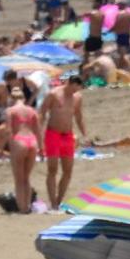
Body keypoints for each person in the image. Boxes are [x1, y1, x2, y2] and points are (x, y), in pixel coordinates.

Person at [40, 75, 87, 209]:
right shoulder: (54, 94)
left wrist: (85, 134)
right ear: (69, 83)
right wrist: (39, 134)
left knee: (68, 171)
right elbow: (42, 113)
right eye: (73, 89)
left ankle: (59, 201)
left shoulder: (77, 97)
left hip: (67, 135)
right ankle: (53, 202)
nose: (74, 92)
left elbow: (78, 116)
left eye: (77, 90)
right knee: (52, 169)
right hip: (53, 133)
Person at [3, 74, 41, 210]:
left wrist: (3, 148)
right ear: (24, 98)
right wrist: (41, 149)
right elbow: (38, 131)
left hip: (19, 141)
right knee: (27, 178)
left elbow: (8, 131)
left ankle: (22, 208)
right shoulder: (31, 110)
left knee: (18, 179)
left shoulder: (10, 110)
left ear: (11, 99)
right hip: (32, 141)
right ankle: (28, 205)